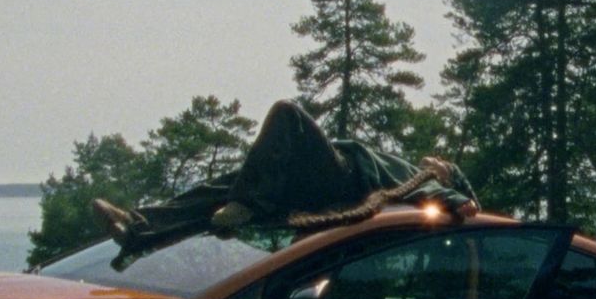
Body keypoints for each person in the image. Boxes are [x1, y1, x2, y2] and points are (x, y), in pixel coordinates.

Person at [93, 99, 479, 255]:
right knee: (221, 189)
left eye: (444, 164)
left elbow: (446, 196)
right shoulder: (418, 175)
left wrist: (459, 198)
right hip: (314, 186)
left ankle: (248, 203)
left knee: (287, 114)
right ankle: (138, 228)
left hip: (338, 179)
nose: (435, 159)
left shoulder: (426, 178)